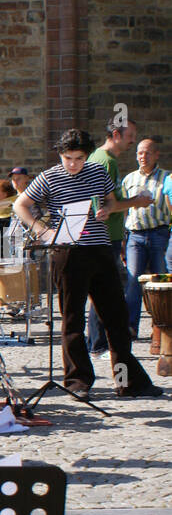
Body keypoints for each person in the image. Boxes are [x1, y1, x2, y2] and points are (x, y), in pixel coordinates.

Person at [13, 127, 159, 399]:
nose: (73, 164)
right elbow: (20, 205)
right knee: (72, 319)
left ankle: (128, 382)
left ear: (87, 156)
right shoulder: (49, 177)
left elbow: (112, 203)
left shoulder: (98, 172)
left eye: (79, 158)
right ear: (60, 155)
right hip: (67, 252)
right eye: (68, 158)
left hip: (100, 249)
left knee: (116, 317)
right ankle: (78, 381)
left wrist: (106, 210)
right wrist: (42, 230)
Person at [86, 116, 153, 351]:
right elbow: (106, 206)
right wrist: (138, 201)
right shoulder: (107, 161)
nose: (132, 142)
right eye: (130, 136)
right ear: (115, 135)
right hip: (105, 236)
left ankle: (98, 342)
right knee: (103, 292)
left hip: (107, 235)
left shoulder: (99, 157)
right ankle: (98, 344)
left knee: (102, 291)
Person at [120, 139, 172, 337]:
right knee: (133, 281)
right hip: (136, 236)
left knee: (162, 281)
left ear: (157, 154)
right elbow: (123, 209)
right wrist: (124, 239)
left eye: (148, 153)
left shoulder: (167, 178)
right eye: (140, 153)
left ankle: (161, 327)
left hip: (160, 233)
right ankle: (130, 326)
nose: (143, 156)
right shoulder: (129, 179)